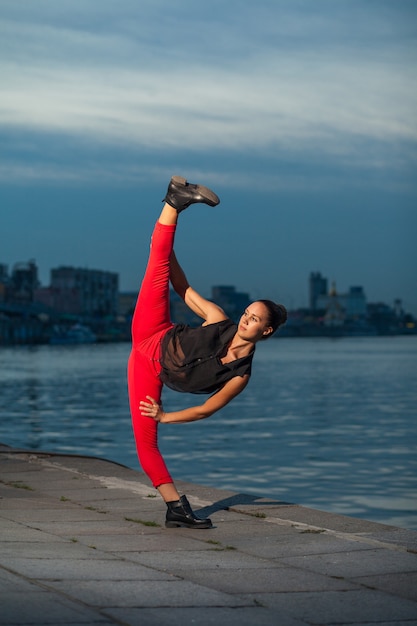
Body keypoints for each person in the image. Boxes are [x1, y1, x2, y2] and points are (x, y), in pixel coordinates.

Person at [127, 175, 287, 529]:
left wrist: (165, 417)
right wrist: (165, 251)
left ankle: (175, 509)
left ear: (267, 331)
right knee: (157, 266)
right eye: (247, 312)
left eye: (254, 319)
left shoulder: (240, 375)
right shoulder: (218, 319)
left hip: (147, 369)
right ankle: (174, 201)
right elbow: (182, 287)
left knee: (146, 443)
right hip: (153, 332)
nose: (246, 319)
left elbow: (204, 410)